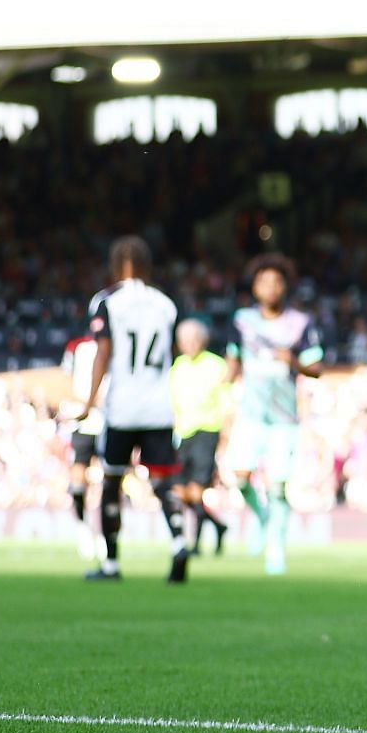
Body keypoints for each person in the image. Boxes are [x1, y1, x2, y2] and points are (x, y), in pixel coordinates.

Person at [76, 236, 189, 584]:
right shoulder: (166, 304)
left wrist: (89, 401)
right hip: (158, 406)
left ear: (114, 265)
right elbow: (174, 350)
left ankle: (110, 564)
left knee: (111, 481)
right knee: (163, 483)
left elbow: (103, 352)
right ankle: (180, 542)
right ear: (147, 265)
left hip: (123, 407)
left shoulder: (107, 301)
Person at [226, 254, 326, 576]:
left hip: (284, 418)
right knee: (240, 477)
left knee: (278, 486)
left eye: (276, 281)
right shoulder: (242, 321)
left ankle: (276, 548)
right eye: (264, 281)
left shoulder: (300, 322)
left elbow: (317, 367)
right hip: (250, 415)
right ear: (254, 287)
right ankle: (261, 515)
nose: (270, 287)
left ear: (285, 287)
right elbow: (232, 361)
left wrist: (293, 362)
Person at [170, 319, 231, 554]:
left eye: (193, 339)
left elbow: (226, 404)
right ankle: (218, 526)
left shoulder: (216, 366)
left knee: (196, 490)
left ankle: (194, 543)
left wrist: (225, 437)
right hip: (183, 434)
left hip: (207, 430)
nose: (189, 344)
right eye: (184, 341)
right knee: (181, 492)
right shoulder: (178, 367)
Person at [61, 334, 103, 562]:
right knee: (78, 478)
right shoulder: (76, 346)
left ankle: (106, 532)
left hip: (108, 420)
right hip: (82, 419)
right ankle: (83, 528)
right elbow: (65, 378)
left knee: (109, 478)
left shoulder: (118, 342)